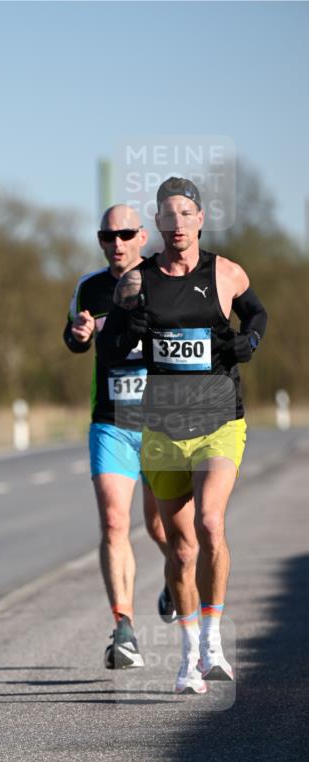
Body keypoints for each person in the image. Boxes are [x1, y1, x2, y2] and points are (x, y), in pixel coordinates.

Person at [98, 177, 267, 694]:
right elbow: (109, 349)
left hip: (219, 421)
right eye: (166, 216)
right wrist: (132, 326)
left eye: (185, 214)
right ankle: (190, 654)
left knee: (211, 522)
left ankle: (214, 638)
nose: (176, 225)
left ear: (199, 219)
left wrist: (249, 341)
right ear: (159, 224)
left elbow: (256, 311)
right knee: (182, 548)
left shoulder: (225, 271)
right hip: (162, 427)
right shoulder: (136, 279)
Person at [63, 205, 172, 672]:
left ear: (142, 236)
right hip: (110, 419)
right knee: (113, 523)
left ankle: (179, 575)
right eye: (108, 236)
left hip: (162, 421)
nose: (117, 243)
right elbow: (73, 339)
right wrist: (81, 333)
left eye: (126, 234)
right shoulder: (89, 287)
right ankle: (123, 627)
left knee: (162, 529)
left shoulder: (165, 278)